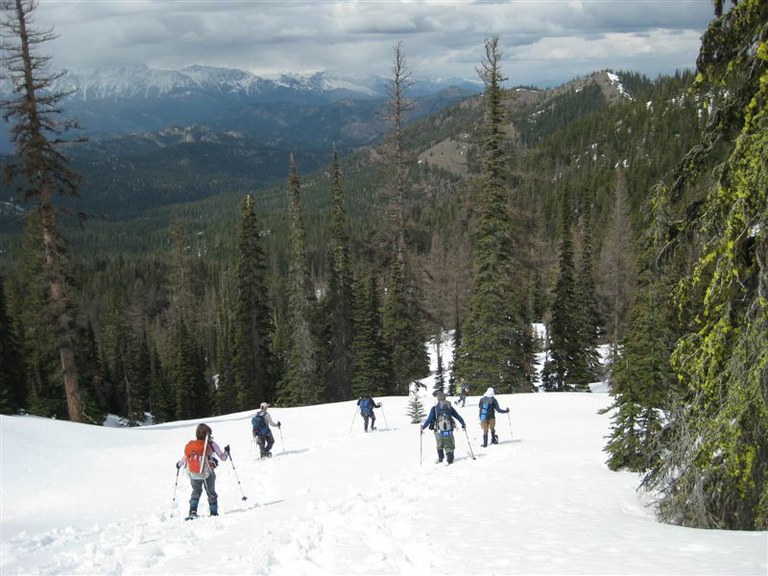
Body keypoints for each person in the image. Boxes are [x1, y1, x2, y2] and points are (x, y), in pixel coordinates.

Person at [176, 423, 230, 518]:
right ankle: (213, 513)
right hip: (208, 473)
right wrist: (226, 452)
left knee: (196, 491)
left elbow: (185, 458)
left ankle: (192, 511)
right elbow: (223, 458)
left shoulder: (192, 445)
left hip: (194, 473)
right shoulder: (212, 444)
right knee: (211, 492)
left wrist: (178, 464)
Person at [421, 391, 466, 464]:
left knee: (439, 444)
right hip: (449, 430)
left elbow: (429, 420)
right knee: (449, 445)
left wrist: (423, 427)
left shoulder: (434, 408)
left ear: (437, 399)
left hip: (438, 431)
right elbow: (457, 416)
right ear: (445, 397)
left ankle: (441, 459)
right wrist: (463, 423)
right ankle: (450, 458)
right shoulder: (449, 407)